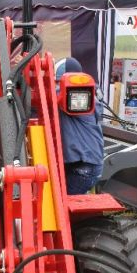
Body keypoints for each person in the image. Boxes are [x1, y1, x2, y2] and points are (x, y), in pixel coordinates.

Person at [55, 57, 105, 195]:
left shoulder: (73, 94)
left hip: (83, 168)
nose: (55, 85)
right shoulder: (88, 95)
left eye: (56, 82)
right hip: (85, 165)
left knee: (59, 207)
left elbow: (44, 98)